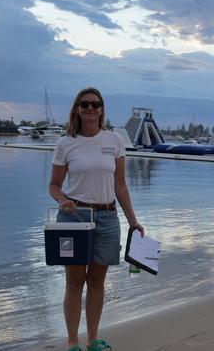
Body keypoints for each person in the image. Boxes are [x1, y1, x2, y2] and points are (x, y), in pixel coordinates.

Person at [49, 87, 144, 351]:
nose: (90, 108)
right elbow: (54, 186)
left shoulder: (114, 140)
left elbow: (121, 185)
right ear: (77, 109)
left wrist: (133, 221)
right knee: (74, 281)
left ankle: (92, 339)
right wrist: (62, 200)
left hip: (107, 216)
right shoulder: (65, 143)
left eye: (95, 104)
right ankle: (72, 342)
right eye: (85, 104)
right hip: (74, 217)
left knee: (97, 281)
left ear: (101, 109)